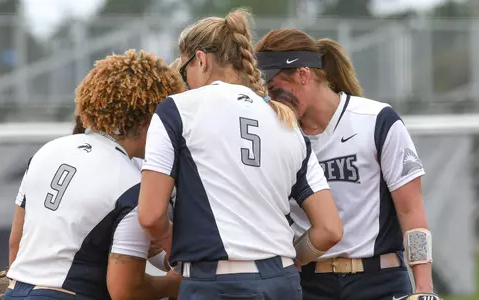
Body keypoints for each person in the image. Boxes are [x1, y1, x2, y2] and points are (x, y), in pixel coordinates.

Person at [137, 8, 343, 300]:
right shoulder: (285, 119)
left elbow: (149, 216)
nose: (185, 82)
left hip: (214, 284)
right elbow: (330, 229)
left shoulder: (177, 109)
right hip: (282, 282)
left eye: (185, 72)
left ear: (201, 60)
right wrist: (288, 260)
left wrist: (175, 245)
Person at [255, 29, 438, 300]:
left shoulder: (376, 120)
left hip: (380, 281)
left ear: (303, 75)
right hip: (308, 283)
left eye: (273, 88)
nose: (269, 100)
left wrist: (424, 289)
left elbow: (411, 210)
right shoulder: (277, 134)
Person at [3, 50, 185, 300]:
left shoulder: (48, 151)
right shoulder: (133, 185)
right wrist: (173, 283)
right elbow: (126, 291)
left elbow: (16, 244)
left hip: (14, 292)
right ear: (148, 121)